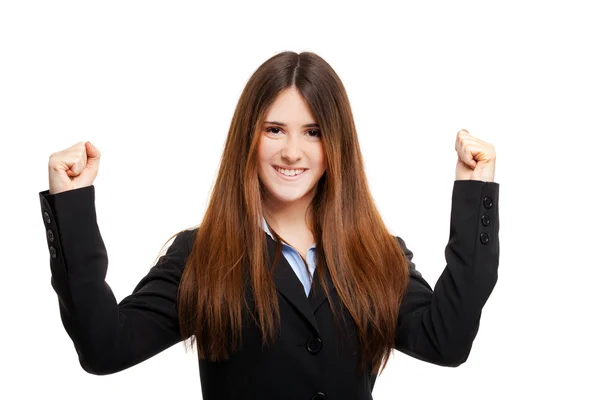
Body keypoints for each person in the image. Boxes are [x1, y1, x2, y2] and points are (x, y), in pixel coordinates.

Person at [39, 51, 500, 400]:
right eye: (274, 129)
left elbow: (447, 342)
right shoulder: (204, 255)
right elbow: (104, 348)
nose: (292, 152)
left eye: (313, 131)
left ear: (336, 143)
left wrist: (474, 191)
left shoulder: (377, 254)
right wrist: (71, 204)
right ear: (249, 137)